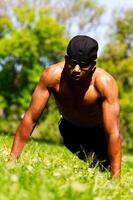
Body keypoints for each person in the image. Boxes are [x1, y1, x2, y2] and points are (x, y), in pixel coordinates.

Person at [9, 35, 122, 177]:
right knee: (94, 163)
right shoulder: (52, 76)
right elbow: (30, 118)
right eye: (72, 62)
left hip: (99, 135)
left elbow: (113, 133)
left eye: (83, 65)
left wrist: (116, 179)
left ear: (93, 66)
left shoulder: (105, 84)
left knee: (105, 168)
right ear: (65, 59)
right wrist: (12, 160)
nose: (76, 69)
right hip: (70, 131)